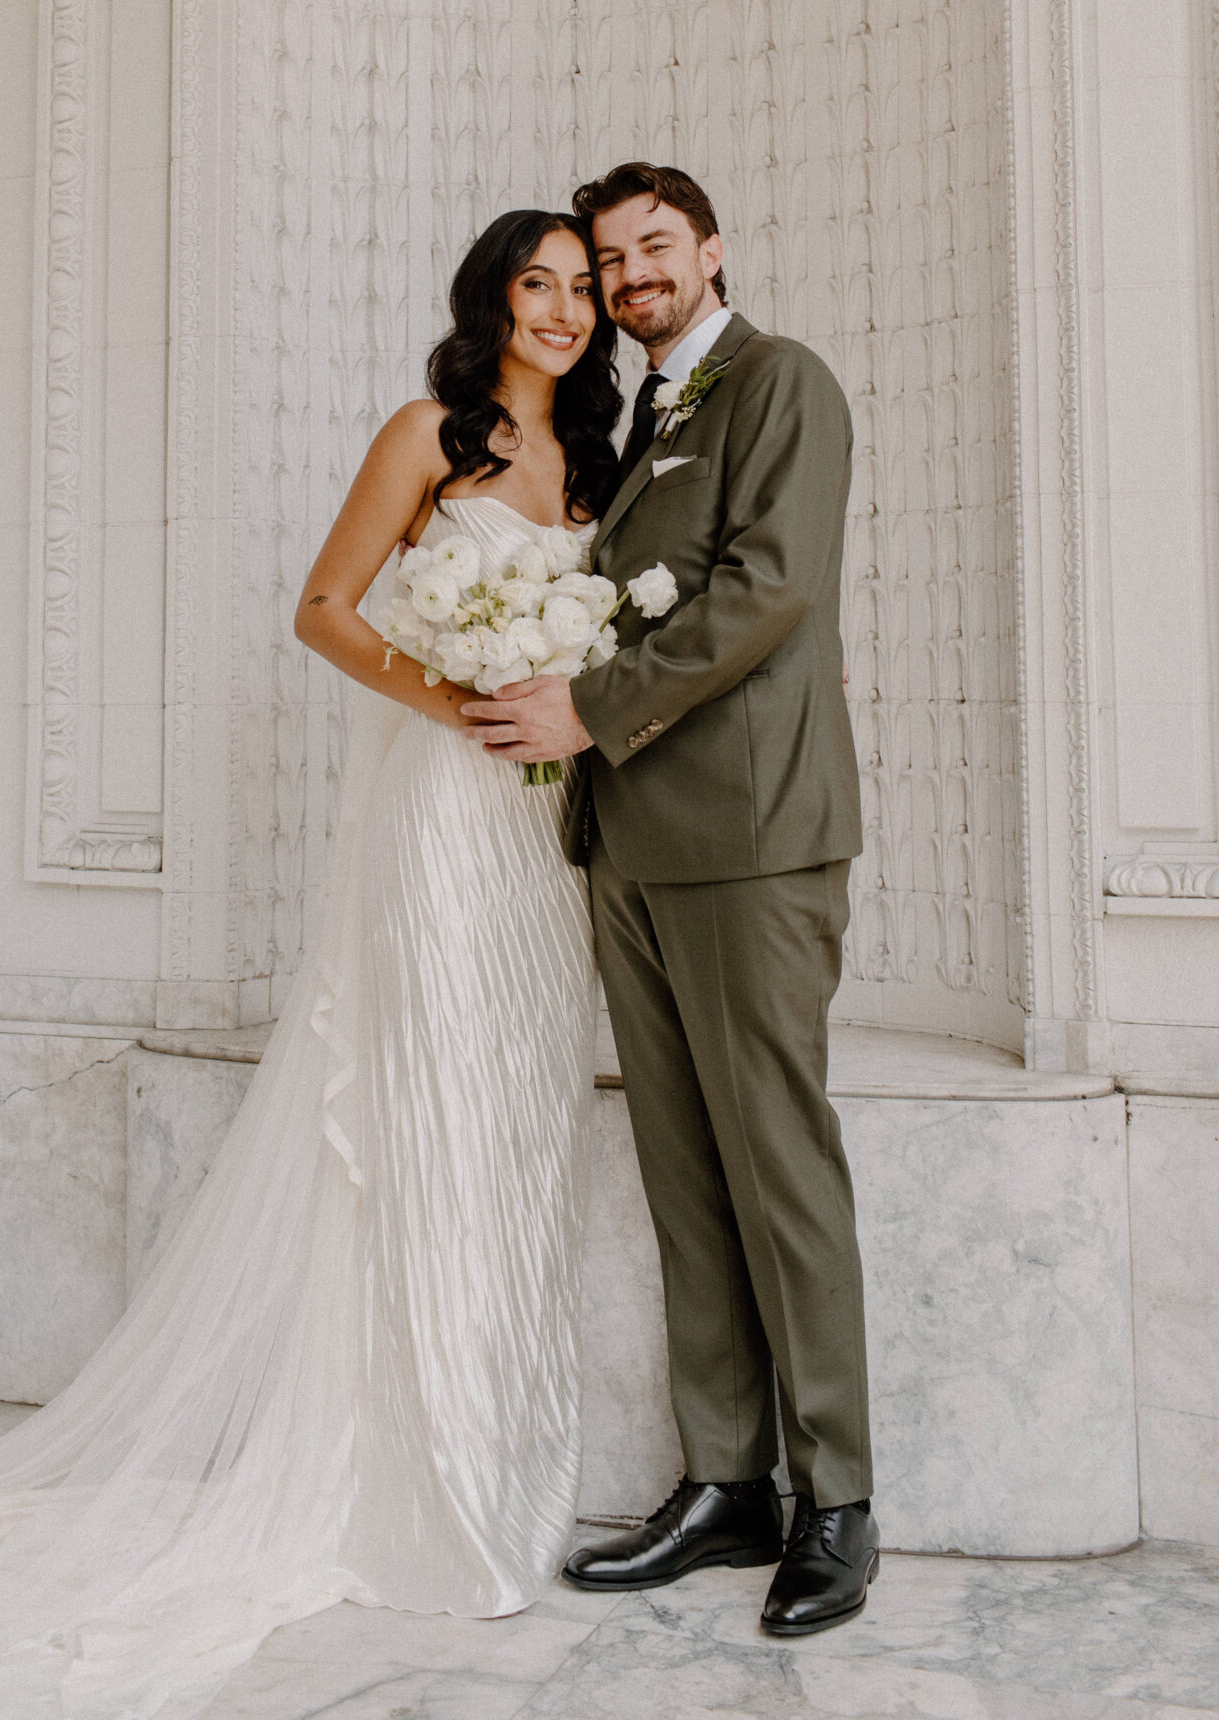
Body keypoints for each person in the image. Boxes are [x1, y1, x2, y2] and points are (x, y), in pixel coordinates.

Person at [0, 210, 621, 1720]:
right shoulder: (428, 435)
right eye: (540, 283)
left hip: (546, 838)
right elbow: (319, 610)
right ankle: (415, 1496)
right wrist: (453, 692)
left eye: (583, 289)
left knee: (515, 1135)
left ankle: (502, 1467)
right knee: (428, 1125)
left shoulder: (605, 462)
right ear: (493, 299)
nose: (566, 309)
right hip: (444, 817)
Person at [464, 160, 878, 1639]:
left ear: (710, 252)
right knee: (685, 1175)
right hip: (629, 842)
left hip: (754, 838)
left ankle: (837, 1500)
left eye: (653, 249)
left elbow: (767, 591)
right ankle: (729, 1483)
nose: (630, 276)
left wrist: (586, 706)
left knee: (778, 1166)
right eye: (608, 259)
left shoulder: (782, 384)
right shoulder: (642, 416)